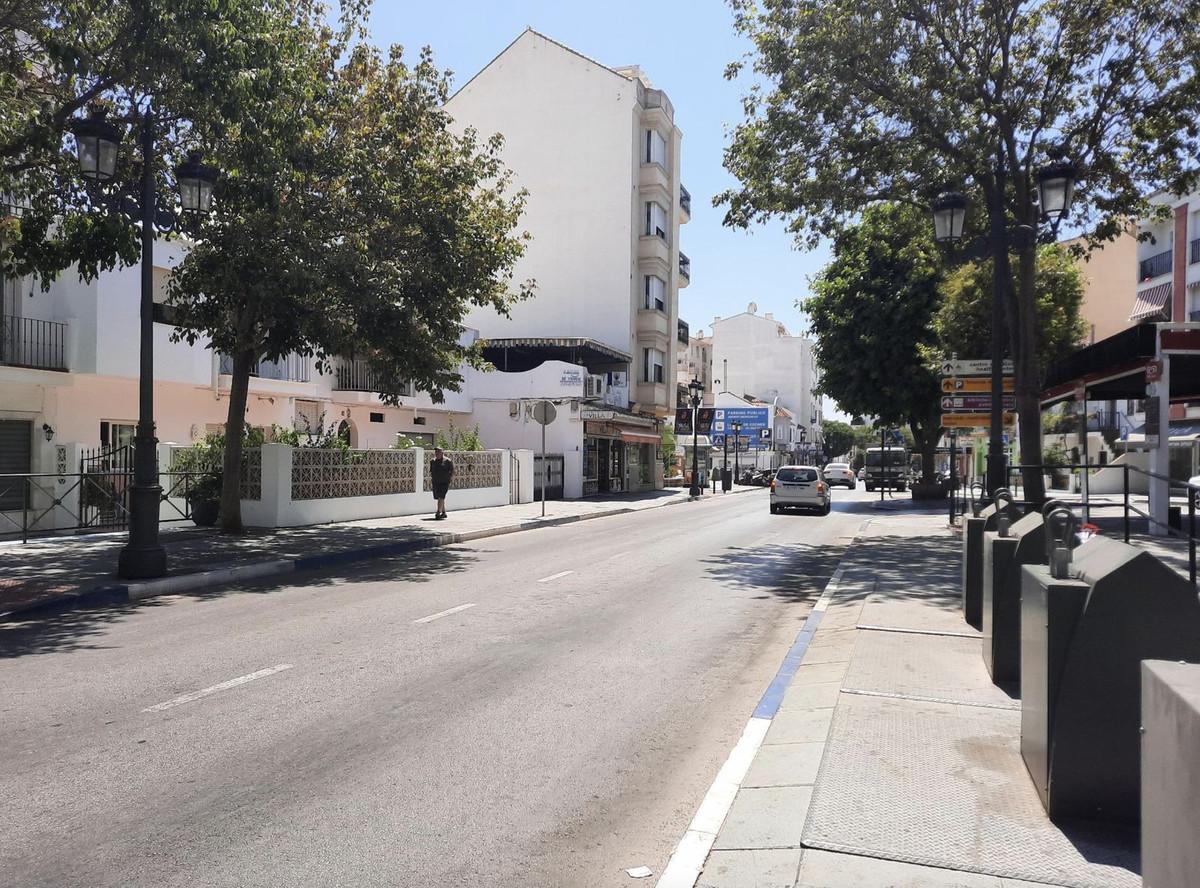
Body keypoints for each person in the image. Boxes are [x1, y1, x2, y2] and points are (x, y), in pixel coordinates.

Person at [430, 448, 454, 519]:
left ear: (442, 453)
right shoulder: (432, 461)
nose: (436, 454)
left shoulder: (447, 461)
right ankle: (443, 512)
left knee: (441, 496)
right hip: (435, 482)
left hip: (444, 482)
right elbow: (431, 471)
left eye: (438, 452)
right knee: (439, 497)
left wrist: (450, 479)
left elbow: (452, 471)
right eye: (436, 452)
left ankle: (438, 512)